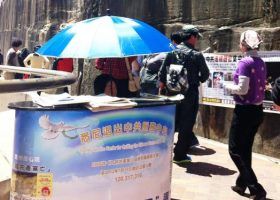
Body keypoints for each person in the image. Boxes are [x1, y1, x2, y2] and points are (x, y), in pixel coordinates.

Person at [224, 30, 267, 200]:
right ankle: (241, 185)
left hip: (244, 111)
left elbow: (242, 89)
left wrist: (226, 86)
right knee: (245, 149)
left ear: (244, 44)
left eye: (240, 42)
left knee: (234, 150)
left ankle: (256, 188)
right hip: (257, 110)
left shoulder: (245, 62)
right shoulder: (261, 62)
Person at [159, 25, 210, 163]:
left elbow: (162, 74)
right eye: (197, 37)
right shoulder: (196, 55)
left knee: (170, 122)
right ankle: (180, 155)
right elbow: (205, 75)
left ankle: (162, 152)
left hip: (172, 93)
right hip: (189, 94)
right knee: (186, 124)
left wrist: (162, 90)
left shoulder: (171, 52)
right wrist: (196, 79)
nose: (197, 40)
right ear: (192, 37)